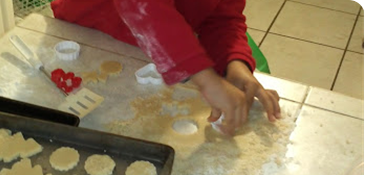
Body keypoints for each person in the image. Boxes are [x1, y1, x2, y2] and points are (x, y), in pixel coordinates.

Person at [51, 0, 281, 136]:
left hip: (157, 50)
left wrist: (235, 65)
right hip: (85, 39)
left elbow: (220, 17)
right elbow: (140, 4)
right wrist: (206, 79)